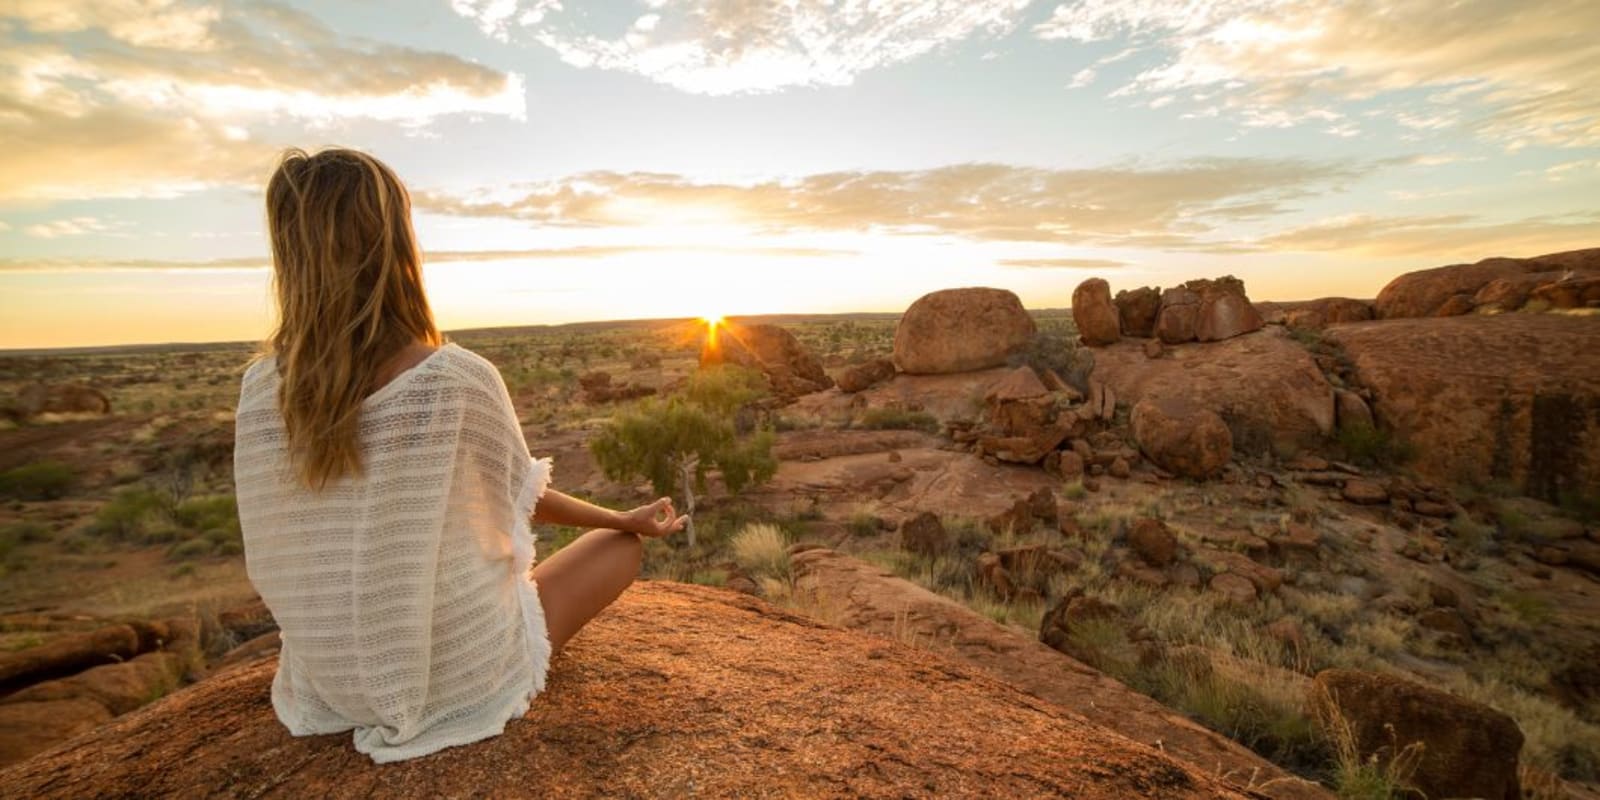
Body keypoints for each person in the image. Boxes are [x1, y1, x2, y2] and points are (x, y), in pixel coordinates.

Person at [232, 146, 687, 764]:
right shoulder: (453, 377)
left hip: (329, 678)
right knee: (618, 552)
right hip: (451, 676)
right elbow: (516, 496)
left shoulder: (262, 388)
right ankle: (481, 658)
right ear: (392, 240)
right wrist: (621, 521)